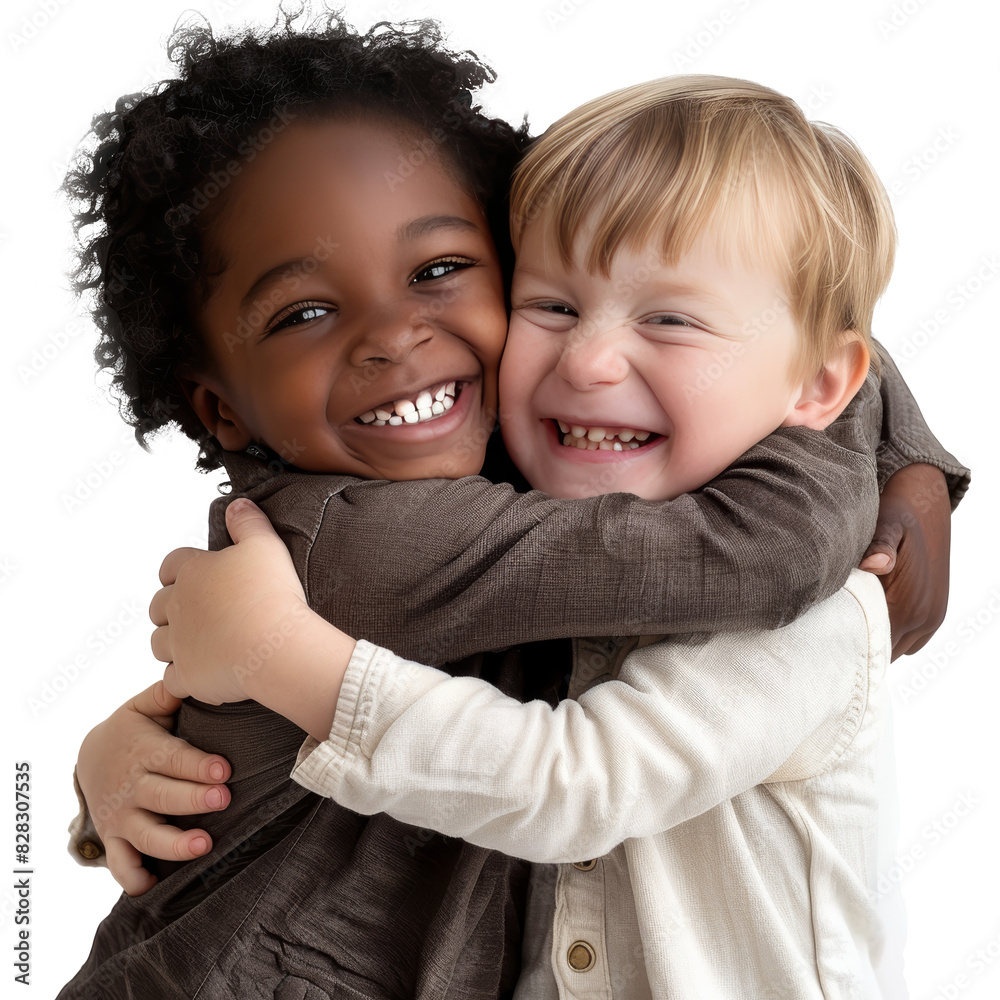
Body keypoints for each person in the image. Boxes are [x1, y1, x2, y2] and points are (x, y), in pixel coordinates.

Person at [62, 12, 966, 1000]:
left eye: (441, 269)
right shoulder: (339, 543)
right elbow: (763, 541)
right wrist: (879, 449)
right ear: (218, 405)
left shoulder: (550, 477)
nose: (395, 337)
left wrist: (898, 440)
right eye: (305, 312)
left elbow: (725, 273)